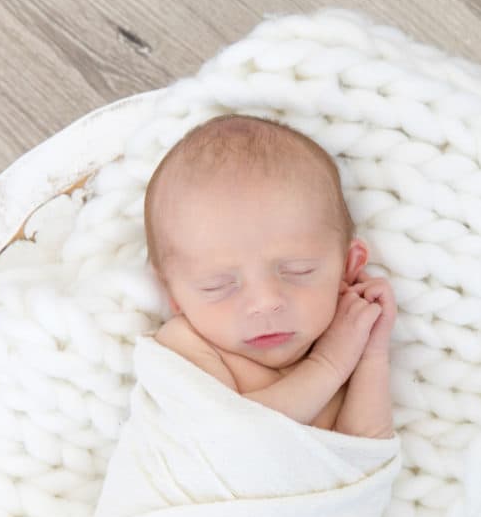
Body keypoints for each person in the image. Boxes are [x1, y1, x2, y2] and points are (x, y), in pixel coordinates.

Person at [142, 112, 395, 439]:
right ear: (173, 293)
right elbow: (237, 440)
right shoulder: (184, 348)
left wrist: (372, 353)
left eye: (297, 271)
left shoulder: (344, 341)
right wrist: (330, 364)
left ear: (348, 266)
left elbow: (368, 448)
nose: (265, 302)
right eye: (217, 286)